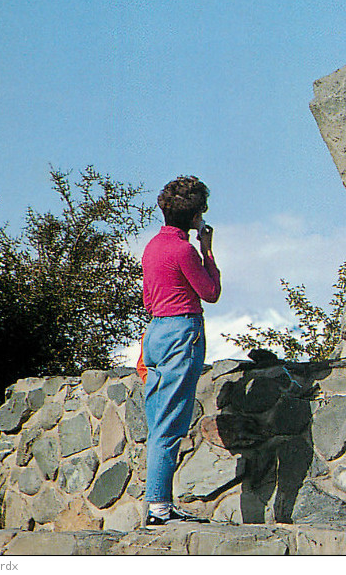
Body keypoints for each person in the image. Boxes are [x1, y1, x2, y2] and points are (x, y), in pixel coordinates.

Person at [141, 175, 221, 526]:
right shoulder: (183, 249)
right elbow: (210, 292)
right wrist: (208, 250)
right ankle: (159, 508)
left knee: (159, 419)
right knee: (169, 426)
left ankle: (160, 503)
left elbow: (148, 299)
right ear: (195, 216)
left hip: (155, 331)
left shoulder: (153, 247)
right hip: (181, 331)